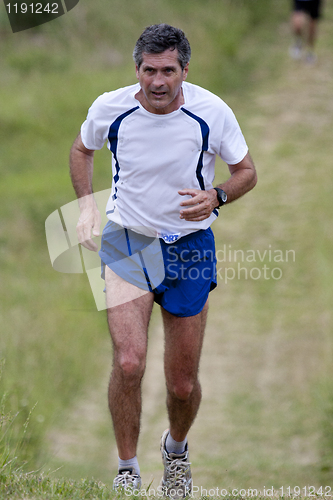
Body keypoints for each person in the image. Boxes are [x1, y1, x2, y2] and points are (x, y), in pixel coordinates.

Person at [69, 23, 257, 498]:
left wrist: (217, 195)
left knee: (181, 384)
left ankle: (175, 451)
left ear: (184, 71)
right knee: (129, 363)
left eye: (167, 71)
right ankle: (127, 470)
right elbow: (81, 148)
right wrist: (87, 207)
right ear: (137, 70)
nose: (157, 81)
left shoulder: (210, 112)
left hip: (190, 247)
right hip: (128, 242)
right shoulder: (110, 108)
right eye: (148, 70)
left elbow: (247, 172)